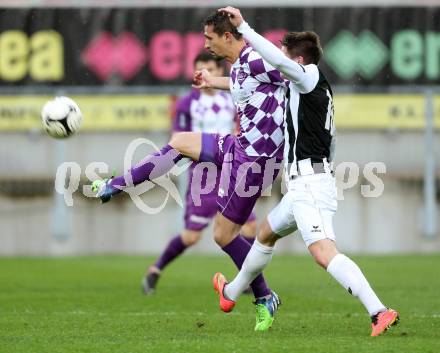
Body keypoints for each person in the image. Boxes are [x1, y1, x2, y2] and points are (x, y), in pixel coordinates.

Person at [210, 6, 399, 337]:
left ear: (297, 61)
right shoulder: (316, 89)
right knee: (265, 233)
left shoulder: (307, 75)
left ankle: (378, 311)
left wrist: (247, 29)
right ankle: (230, 293)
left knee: (323, 252)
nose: (277, 63)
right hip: (305, 182)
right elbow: (331, 139)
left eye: (283, 57)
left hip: (309, 184)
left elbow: (280, 64)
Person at [92, 11, 287, 331]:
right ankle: (116, 184)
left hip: (256, 161)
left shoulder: (255, 58)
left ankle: (264, 296)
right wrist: (213, 81)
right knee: (180, 142)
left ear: (227, 36)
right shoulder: (240, 66)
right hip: (239, 146)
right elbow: (245, 83)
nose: (205, 44)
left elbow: (289, 72)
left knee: (224, 235)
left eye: (210, 37)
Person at [142, 52, 258, 294]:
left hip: (232, 167)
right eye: (199, 69)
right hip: (203, 174)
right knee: (191, 236)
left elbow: (243, 128)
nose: (203, 74)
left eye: (209, 69)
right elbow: (177, 139)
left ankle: (245, 279)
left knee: (248, 228)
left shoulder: (232, 99)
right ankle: (156, 269)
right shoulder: (187, 103)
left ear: (219, 72)